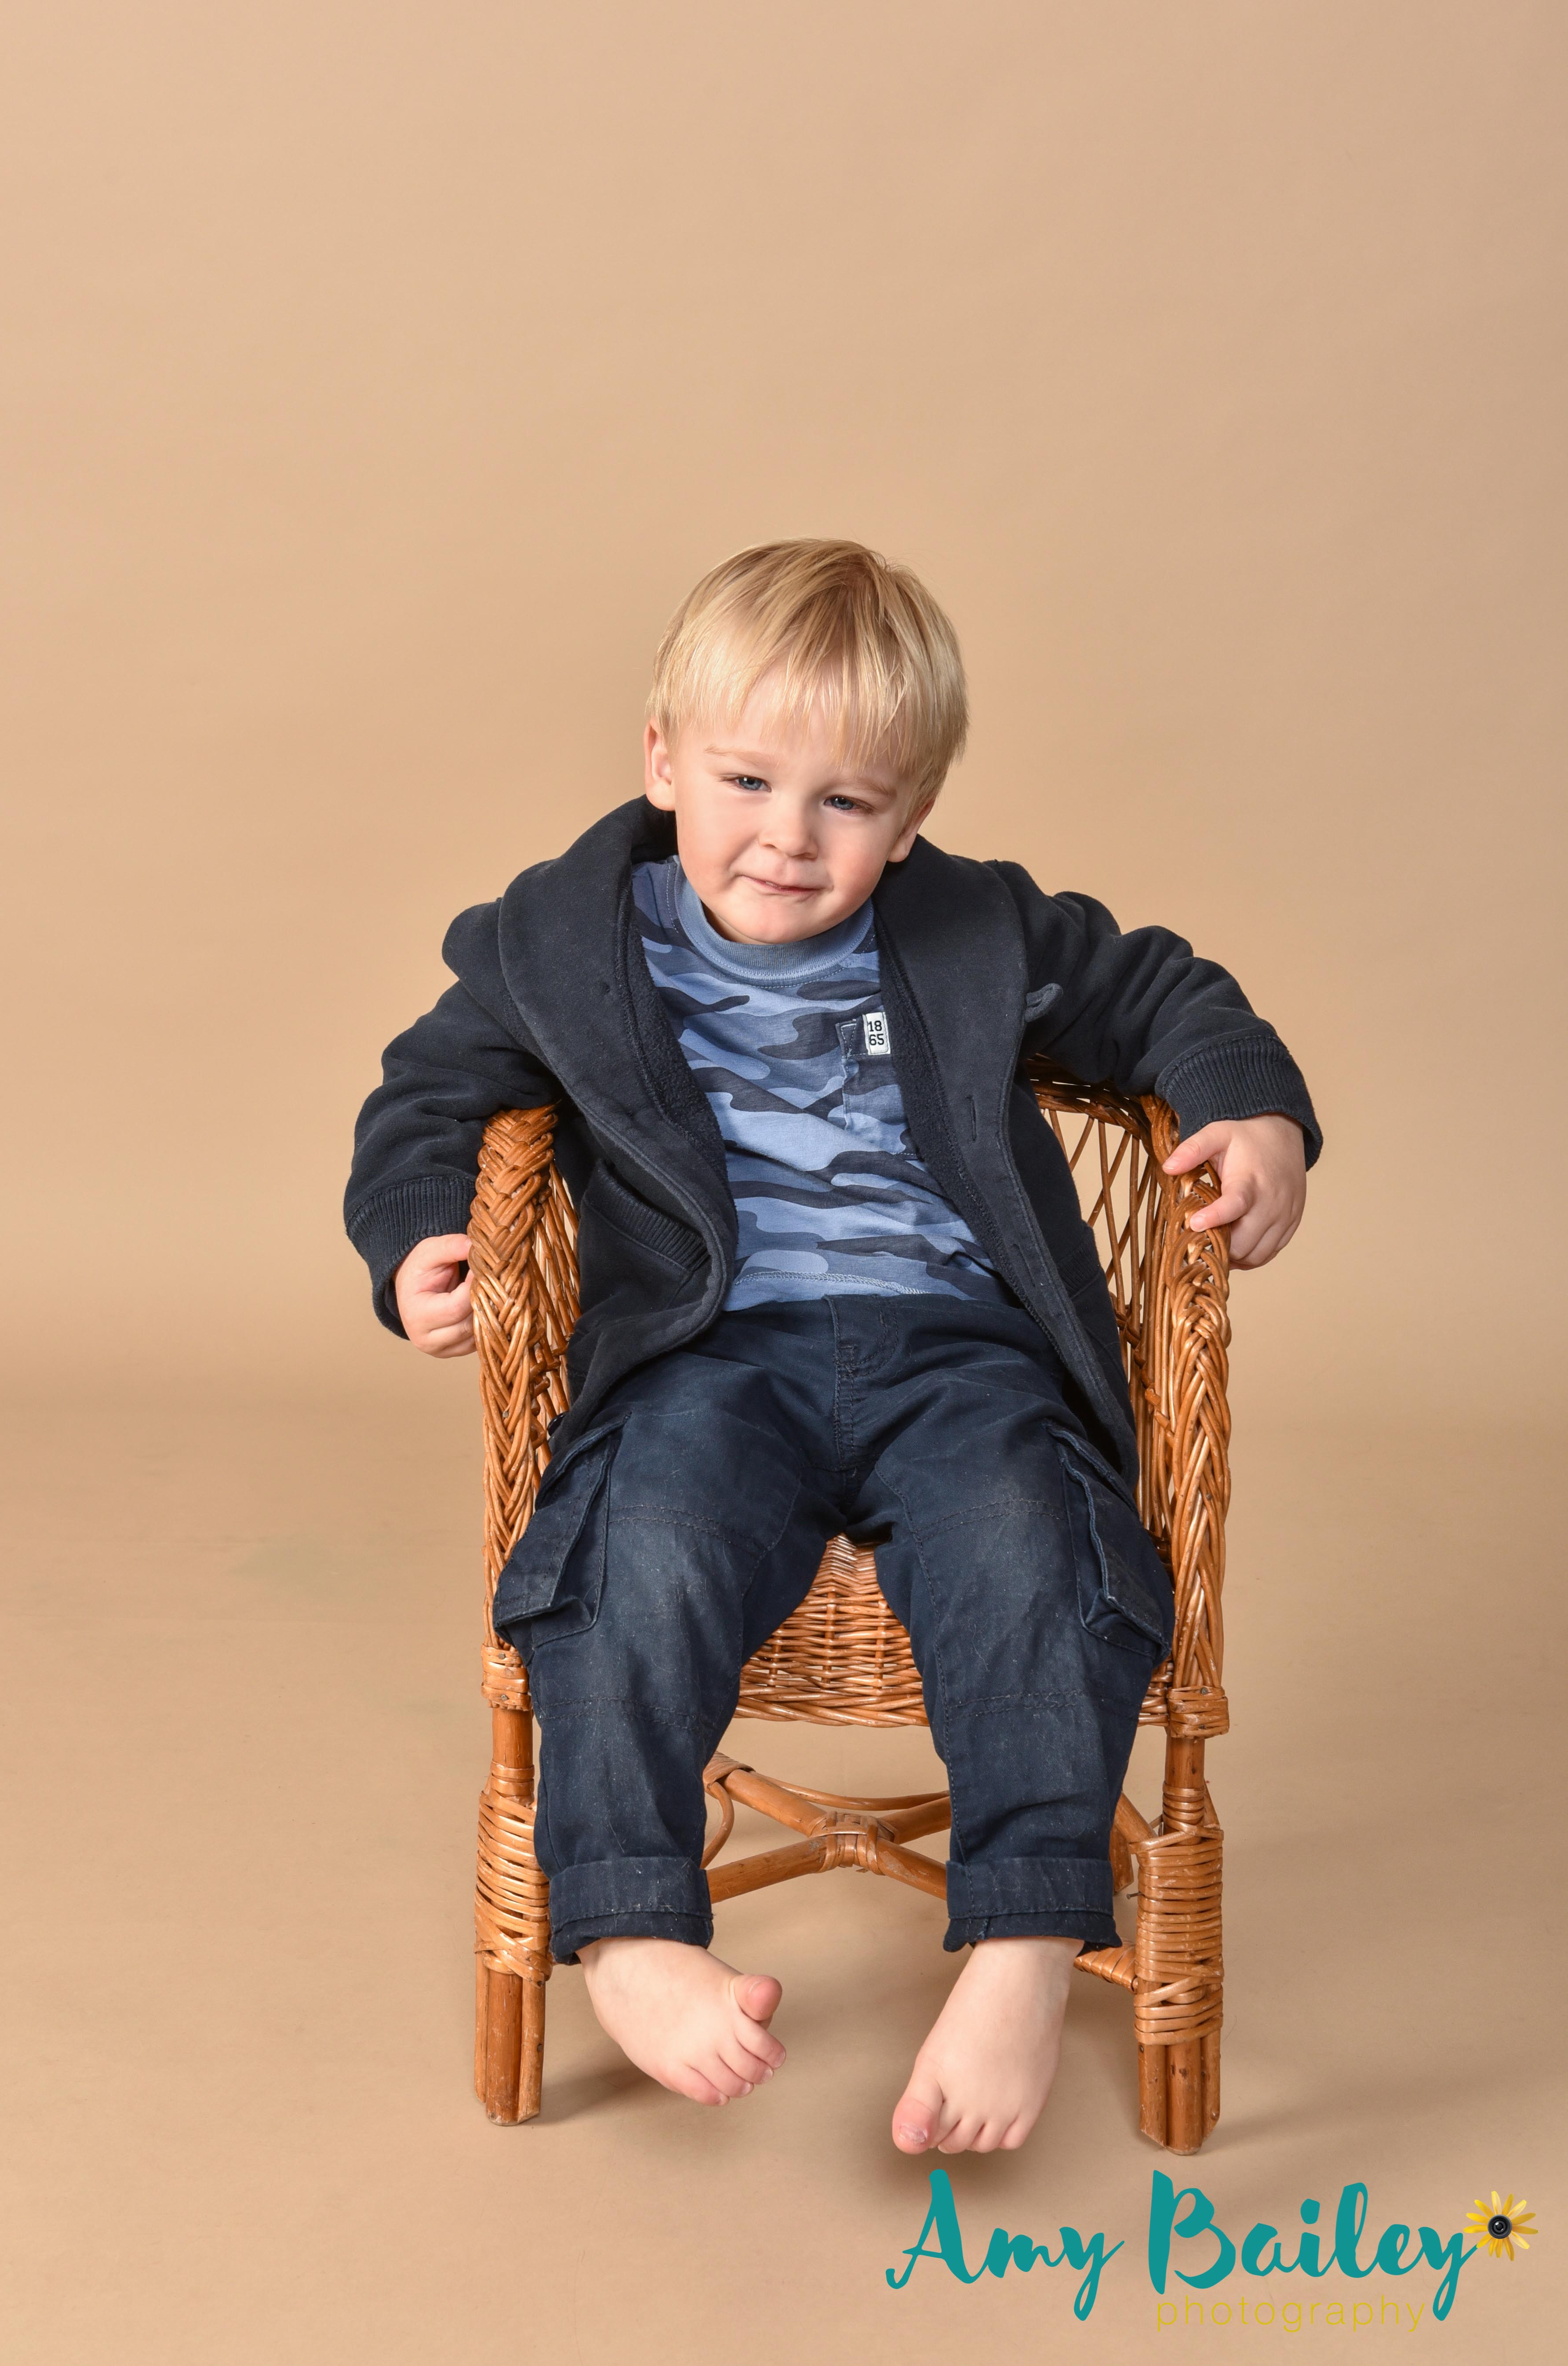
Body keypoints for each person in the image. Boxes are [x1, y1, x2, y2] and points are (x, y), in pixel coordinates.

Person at [345, 539, 1317, 2155]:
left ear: (911, 817)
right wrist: (416, 1237)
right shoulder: (564, 945)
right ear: (664, 761)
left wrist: (1249, 1106)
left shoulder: (976, 930)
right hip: (708, 1353)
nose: (787, 838)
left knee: (1028, 1532)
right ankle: (630, 1926)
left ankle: (1024, 1937)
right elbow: (429, 1095)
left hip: (959, 1350)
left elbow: (1165, 993)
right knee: (638, 1536)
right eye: (745, 780)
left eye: (846, 803)